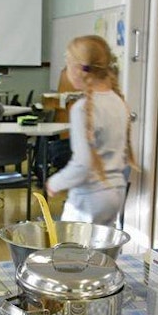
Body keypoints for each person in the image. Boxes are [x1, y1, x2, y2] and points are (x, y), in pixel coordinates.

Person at [45, 35, 135, 225]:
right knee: (101, 244)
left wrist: (55, 182)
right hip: (115, 192)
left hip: (88, 197)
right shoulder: (118, 101)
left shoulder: (82, 109)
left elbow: (83, 164)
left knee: (69, 245)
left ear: (78, 70)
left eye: (68, 64)